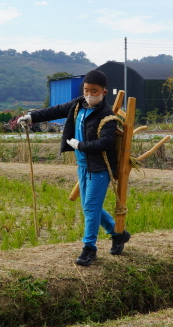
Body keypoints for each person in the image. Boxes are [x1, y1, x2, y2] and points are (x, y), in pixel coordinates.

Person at [18, 70, 131, 266]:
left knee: (90, 208)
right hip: (83, 165)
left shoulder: (107, 116)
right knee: (90, 208)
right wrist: (31, 117)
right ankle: (118, 234)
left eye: (94, 91)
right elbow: (57, 110)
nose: (89, 94)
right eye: (86, 90)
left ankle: (89, 249)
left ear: (103, 92)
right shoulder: (79, 104)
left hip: (100, 168)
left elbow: (105, 143)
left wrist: (80, 145)